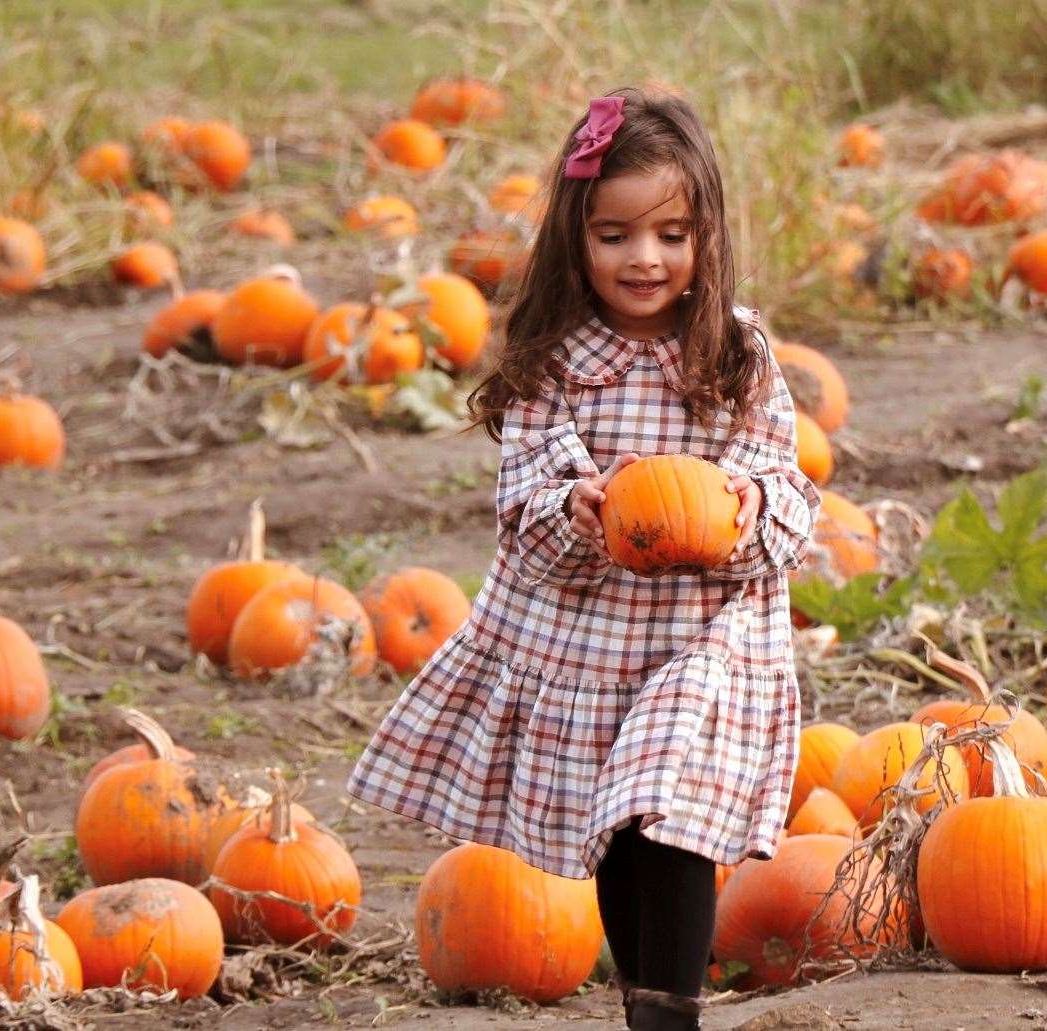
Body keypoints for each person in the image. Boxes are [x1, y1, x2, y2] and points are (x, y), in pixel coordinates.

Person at [345, 84, 820, 1031]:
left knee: (671, 818)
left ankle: (673, 1010)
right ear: (576, 237)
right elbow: (522, 511)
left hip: (702, 641)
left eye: (671, 234)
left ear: (706, 236)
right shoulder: (554, 363)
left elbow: (788, 500)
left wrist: (743, 507)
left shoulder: (736, 351)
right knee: (621, 832)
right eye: (615, 236)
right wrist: (578, 505)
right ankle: (645, 1001)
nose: (644, 258)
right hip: (590, 647)